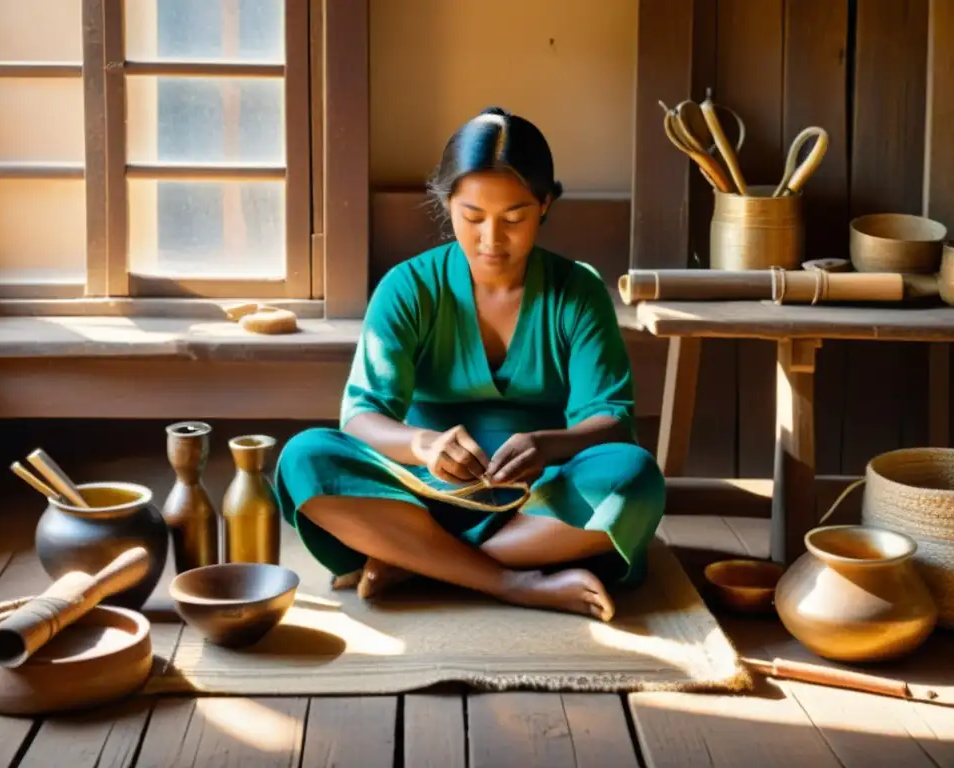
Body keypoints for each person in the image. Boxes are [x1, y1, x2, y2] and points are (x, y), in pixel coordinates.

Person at [273, 107, 666, 622]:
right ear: (446, 203)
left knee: (635, 477)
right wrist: (422, 444)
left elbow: (611, 418)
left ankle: (416, 562)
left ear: (546, 204)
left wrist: (546, 444)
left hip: (540, 497)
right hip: (419, 493)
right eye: (473, 217)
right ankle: (509, 580)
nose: (491, 240)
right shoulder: (408, 287)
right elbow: (362, 415)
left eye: (515, 217)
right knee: (304, 458)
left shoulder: (578, 292)